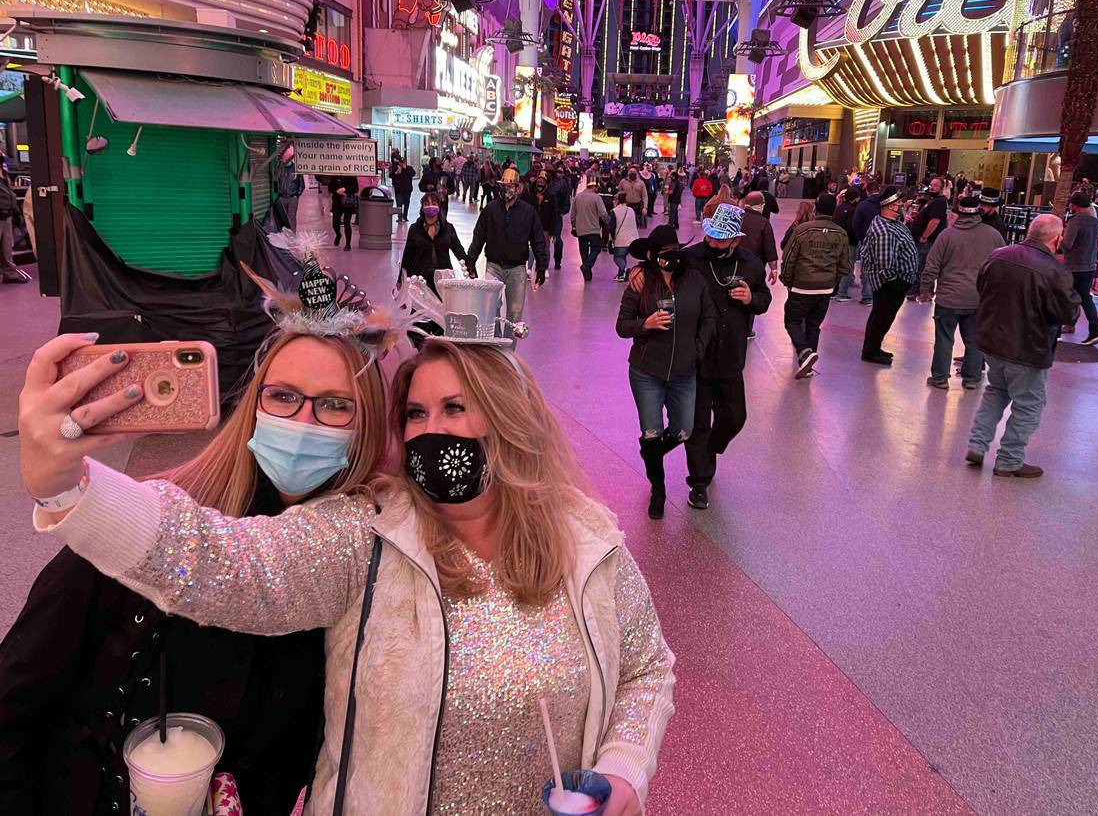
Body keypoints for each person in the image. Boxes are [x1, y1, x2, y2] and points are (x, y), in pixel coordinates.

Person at [21, 327, 675, 814]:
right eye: (415, 414)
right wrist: (70, 489)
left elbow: (647, 666)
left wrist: (623, 768)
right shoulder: (367, 533)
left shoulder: (588, 544)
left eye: (455, 409)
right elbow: (227, 564)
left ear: (510, 418)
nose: (429, 432)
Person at [1, 247, 393, 813]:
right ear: (253, 403)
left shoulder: (367, 553)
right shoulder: (142, 526)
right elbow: (16, 707)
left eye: (335, 405)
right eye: (282, 397)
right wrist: (68, 489)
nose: (302, 423)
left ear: (367, 424)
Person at [633, 205, 770, 510]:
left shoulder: (751, 265)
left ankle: (709, 449)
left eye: (721, 239)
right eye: (711, 236)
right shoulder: (691, 258)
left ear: (736, 239)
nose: (713, 242)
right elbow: (657, 264)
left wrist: (751, 299)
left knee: (735, 417)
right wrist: (637, 271)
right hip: (694, 357)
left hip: (731, 355)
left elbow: (764, 300)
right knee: (697, 423)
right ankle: (699, 481)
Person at [965, 214, 1081, 478]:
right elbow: (1067, 314)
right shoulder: (1055, 271)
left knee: (996, 391)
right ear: (1057, 238)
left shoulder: (998, 255)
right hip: (1028, 347)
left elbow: (982, 287)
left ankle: (977, 444)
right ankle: (1009, 460)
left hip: (992, 340)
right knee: (1028, 404)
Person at [616, 225, 717, 518]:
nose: (670, 258)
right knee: (651, 431)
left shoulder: (694, 279)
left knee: (684, 430)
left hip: (685, 373)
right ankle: (657, 488)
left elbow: (709, 316)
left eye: (674, 252)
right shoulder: (640, 282)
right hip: (646, 371)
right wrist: (645, 324)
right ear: (652, 256)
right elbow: (622, 325)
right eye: (663, 254)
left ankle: (650, 453)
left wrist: (696, 349)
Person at [917, 196, 1005, 390]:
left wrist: (926, 290)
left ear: (958, 213)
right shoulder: (993, 236)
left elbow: (931, 267)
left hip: (949, 298)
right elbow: (1002, 267)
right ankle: (972, 378)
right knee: (974, 340)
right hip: (979, 299)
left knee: (944, 338)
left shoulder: (947, 236)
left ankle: (940, 378)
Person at [778, 193, 850, 379]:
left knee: (792, 321)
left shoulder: (802, 230)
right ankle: (807, 365)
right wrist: (833, 283)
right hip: (825, 288)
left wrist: (787, 280)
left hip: (802, 286)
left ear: (816, 208)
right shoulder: (841, 233)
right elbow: (844, 265)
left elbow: (789, 257)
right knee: (813, 325)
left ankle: (804, 351)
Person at [466, 167, 547, 328]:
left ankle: (508, 350)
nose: (506, 189)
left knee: (515, 314)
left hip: (517, 268)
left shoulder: (528, 212)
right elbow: (479, 235)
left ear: (518, 188)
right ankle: (495, 346)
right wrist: (471, 260)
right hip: (493, 266)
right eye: (503, 186)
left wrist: (542, 266)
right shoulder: (491, 209)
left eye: (510, 186)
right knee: (490, 310)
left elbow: (538, 240)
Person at [859, 187, 919, 365]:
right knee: (881, 317)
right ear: (889, 206)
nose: (902, 205)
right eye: (899, 203)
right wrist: (897, 283)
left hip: (894, 283)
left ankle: (874, 347)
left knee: (883, 317)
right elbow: (885, 263)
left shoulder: (893, 223)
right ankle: (870, 351)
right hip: (890, 285)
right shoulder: (884, 230)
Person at [399, 193, 470, 294]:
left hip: (443, 278)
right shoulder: (415, 229)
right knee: (419, 308)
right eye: (426, 204)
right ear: (422, 207)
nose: (430, 206)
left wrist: (471, 270)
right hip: (419, 278)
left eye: (434, 203)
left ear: (439, 206)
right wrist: (400, 280)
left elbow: (458, 250)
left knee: (443, 307)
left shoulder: (448, 228)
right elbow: (407, 255)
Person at [1062, 190, 1098, 346]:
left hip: (1074, 265)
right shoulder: (1096, 222)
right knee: (1085, 297)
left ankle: (1062, 326)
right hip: (1090, 265)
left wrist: (1059, 240)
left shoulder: (1075, 221)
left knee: (1067, 295)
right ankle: (1094, 329)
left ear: (1075, 205)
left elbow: (1067, 245)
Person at [907, 177, 948, 299]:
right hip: (921, 239)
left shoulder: (940, 202)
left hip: (927, 241)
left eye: (935, 185)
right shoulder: (932, 200)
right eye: (931, 184)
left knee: (921, 266)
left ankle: (920, 291)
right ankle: (924, 291)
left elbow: (935, 221)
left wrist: (925, 236)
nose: (932, 187)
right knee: (920, 264)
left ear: (941, 188)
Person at [571, 175, 610, 282]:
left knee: (583, 251)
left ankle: (587, 273)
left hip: (581, 230)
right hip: (593, 229)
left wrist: (574, 226)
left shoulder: (578, 197)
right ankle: (587, 266)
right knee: (596, 249)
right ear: (593, 187)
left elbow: (573, 214)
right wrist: (608, 221)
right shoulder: (596, 198)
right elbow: (603, 213)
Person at [850, 183, 882, 306]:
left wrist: (861, 238)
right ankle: (879, 295)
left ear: (867, 192)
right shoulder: (886, 204)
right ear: (879, 190)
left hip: (867, 241)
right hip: (884, 242)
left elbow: (856, 224)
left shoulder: (862, 205)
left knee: (867, 269)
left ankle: (868, 296)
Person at [0, 166, 30, 283]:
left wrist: (15, 210)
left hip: (6, 214)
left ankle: (10, 274)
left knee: (6, 248)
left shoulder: (4, 172)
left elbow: (9, 193)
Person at [831, 187, 862, 301]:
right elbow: (852, 227)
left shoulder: (839, 208)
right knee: (848, 267)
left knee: (838, 265)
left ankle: (834, 290)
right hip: (850, 242)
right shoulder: (854, 211)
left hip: (837, 242)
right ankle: (842, 293)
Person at [611, 191, 640, 282]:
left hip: (621, 239)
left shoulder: (614, 211)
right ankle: (621, 275)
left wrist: (612, 238)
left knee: (618, 257)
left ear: (617, 200)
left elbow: (612, 227)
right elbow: (637, 223)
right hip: (633, 239)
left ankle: (625, 270)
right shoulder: (631, 210)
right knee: (623, 256)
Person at [332, 174, 361, 251]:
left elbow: (356, 188)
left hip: (348, 202)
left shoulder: (351, 175)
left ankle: (348, 244)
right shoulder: (335, 175)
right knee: (335, 223)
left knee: (347, 222)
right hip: (337, 202)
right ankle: (338, 234)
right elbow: (330, 187)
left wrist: (345, 189)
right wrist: (337, 191)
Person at [389, 152, 416, 222]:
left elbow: (413, 173)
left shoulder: (409, 168)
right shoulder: (396, 168)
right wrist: (396, 173)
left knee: (406, 204)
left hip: (407, 189)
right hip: (399, 190)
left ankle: (405, 216)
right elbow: (390, 175)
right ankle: (400, 217)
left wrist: (406, 168)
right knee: (399, 203)